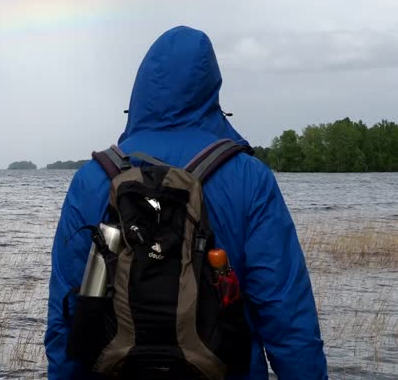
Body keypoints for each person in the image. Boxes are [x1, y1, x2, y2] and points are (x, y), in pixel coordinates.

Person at [44, 26, 328, 379]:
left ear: (140, 90)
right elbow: (288, 316)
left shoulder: (92, 179)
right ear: (212, 90)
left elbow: (66, 316)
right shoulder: (248, 177)